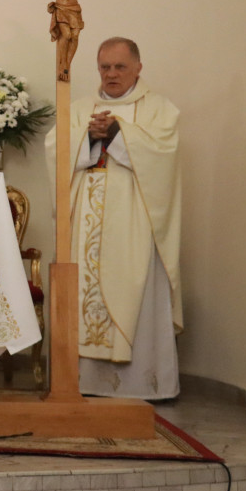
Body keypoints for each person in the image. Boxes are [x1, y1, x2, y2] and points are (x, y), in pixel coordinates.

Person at [46, 37, 182, 400]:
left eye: (120, 67)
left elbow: (163, 154)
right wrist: (85, 137)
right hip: (85, 219)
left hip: (134, 221)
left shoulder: (159, 109)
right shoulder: (77, 109)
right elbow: (52, 147)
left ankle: (143, 386)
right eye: (104, 67)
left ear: (138, 67)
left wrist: (120, 132)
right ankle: (82, 384)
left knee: (132, 286)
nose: (111, 74)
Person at [8, 0, 120, 81]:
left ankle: (67, 65)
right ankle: (63, 66)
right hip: (61, 7)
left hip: (74, 8)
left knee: (75, 35)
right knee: (66, 35)